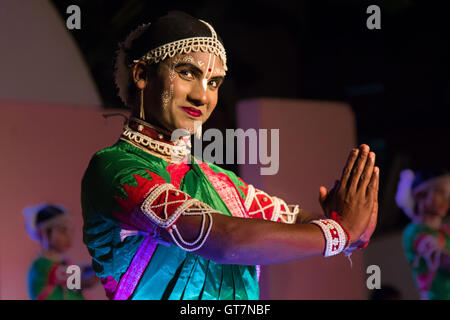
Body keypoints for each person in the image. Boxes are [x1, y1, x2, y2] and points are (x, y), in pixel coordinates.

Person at [81, 11, 380, 300]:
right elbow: (225, 240)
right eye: (187, 73)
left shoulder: (218, 181)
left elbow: (298, 223)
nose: (202, 96)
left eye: (213, 83)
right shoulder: (114, 169)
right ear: (142, 74)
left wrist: (352, 227)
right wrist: (340, 234)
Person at [396, 168, 450, 300]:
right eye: (441, 193)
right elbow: (443, 260)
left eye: (448, 195)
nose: (446, 201)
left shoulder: (444, 230)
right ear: (420, 195)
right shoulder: (414, 232)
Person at [24, 203, 97, 300]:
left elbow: (82, 271)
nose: (69, 237)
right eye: (63, 231)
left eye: (71, 231)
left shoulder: (65, 263)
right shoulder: (40, 266)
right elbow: (85, 280)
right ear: (44, 232)